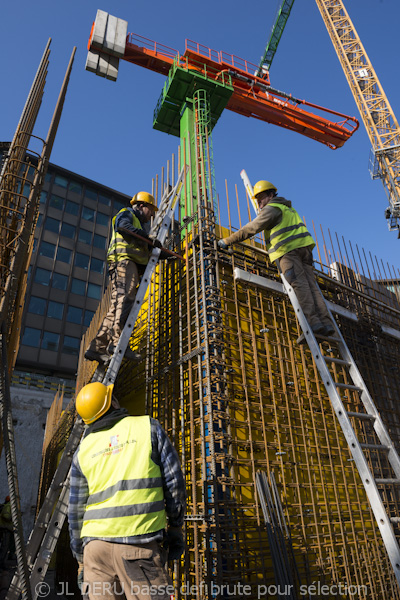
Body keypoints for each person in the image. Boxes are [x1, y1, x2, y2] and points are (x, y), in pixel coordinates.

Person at [68, 382, 186, 600]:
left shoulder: (83, 449)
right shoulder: (147, 428)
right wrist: (176, 526)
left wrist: (81, 558)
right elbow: (174, 482)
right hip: (138, 548)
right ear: (112, 402)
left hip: (95, 551)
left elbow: (75, 511)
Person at [218, 180, 335, 336]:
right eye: (257, 200)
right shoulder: (287, 208)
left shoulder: (272, 209)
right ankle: (326, 323)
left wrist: (227, 240)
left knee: (300, 285)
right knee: (312, 287)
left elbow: (251, 229)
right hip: (304, 250)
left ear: (271, 195)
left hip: (288, 251)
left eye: (261, 199)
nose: (259, 203)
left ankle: (313, 322)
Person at [85, 192, 165, 364]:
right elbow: (123, 226)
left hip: (122, 264)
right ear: (142, 205)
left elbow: (146, 250)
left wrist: (161, 250)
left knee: (115, 307)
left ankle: (96, 348)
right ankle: (118, 343)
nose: (152, 216)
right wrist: (147, 238)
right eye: (151, 210)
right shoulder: (127, 214)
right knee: (126, 300)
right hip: (124, 263)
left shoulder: (139, 228)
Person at [0, 496, 13, 569]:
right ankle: (1, 564)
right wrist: (13, 517)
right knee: (4, 547)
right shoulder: (9, 506)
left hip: (6, 529)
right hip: (5, 529)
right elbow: (5, 516)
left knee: (5, 547)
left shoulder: (7, 506)